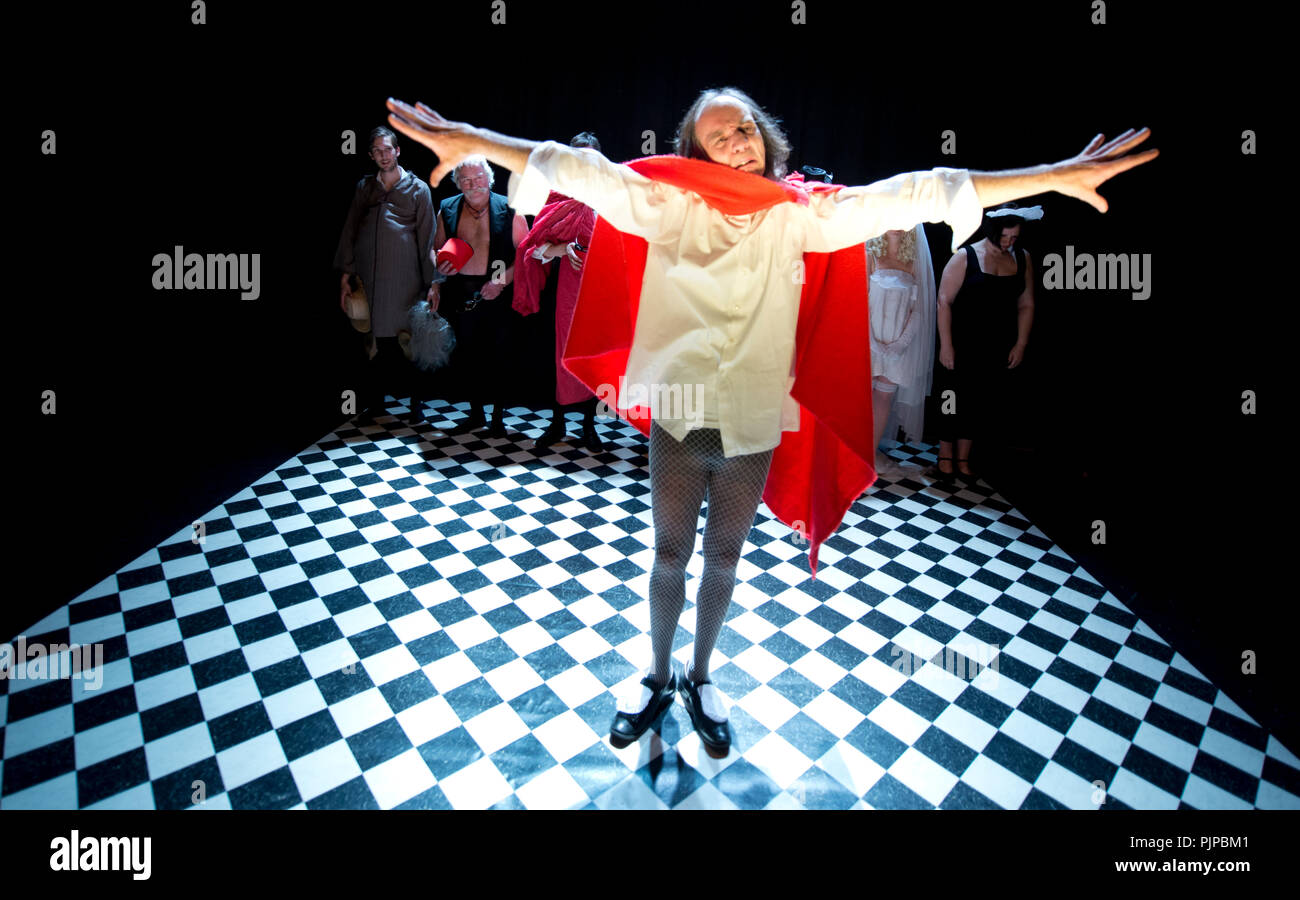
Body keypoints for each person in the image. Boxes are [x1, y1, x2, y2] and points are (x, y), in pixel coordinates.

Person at [384, 91, 1156, 757]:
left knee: (723, 556)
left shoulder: (803, 216)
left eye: (744, 128)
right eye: (717, 134)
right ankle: (656, 674)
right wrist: (470, 142)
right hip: (683, 409)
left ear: (766, 139)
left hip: (754, 412)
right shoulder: (666, 201)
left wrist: (1052, 176)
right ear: (692, 152)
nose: (735, 142)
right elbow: (573, 167)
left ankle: (703, 675)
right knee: (668, 550)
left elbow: (922, 190)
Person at [334, 126, 437, 425]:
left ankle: (416, 406)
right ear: (370, 155)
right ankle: (376, 404)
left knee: (409, 343)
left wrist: (432, 284)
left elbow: (428, 238)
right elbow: (350, 231)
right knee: (372, 344)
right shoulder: (365, 187)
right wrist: (346, 276)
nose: (383, 155)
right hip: (368, 278)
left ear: (397, 151)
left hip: (405, 280)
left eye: (387, 149)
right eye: (377, 151)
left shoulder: (418, 189)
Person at [514, 132, 607, 452]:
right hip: (562, 291)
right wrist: (565, 248)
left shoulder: (612, 197)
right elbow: (535, 249)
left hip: (599, 291)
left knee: (592, 358)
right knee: (559, 357)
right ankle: (557, 423)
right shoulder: (557, 196)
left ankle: (589, 426)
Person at [933, 204, 1040, 480]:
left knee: (981, 400)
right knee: (952, 397)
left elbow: (1026, 303)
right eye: (1005, 237)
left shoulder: (1022, 258)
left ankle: (964, 458)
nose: (1009, 242)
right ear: (992, 231)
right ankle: (945, 455)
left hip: (998, 343)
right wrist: (946, 344)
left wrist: (1021, 343)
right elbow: (944, 301)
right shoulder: (966, 256)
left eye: (1014, 238)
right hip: (963, 341)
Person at [430, 156, 529, 438]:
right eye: (465, 180)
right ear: (458, 182)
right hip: (460, 292)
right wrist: (436, 279)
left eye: (478, 178)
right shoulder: (447, 208)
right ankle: (475, 414)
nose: (473, 185)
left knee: (499, 356)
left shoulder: (510, 207)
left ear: (489, 179)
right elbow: (434, 249)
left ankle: (498, 417)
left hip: (497, 291)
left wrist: (502, 281)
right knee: (467, 356)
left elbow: (527, 255)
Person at [865, 225, 936, 480]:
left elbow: (920, 309)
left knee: (883, 399)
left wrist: (900, 344)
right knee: (861, 397)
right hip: (868, 340)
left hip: (898, 346)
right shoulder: (871, 254)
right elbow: (860, 298)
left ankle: (869, 456)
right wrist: (872, 342)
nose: (896, 225)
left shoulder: (915, 260)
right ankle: (852, 455)